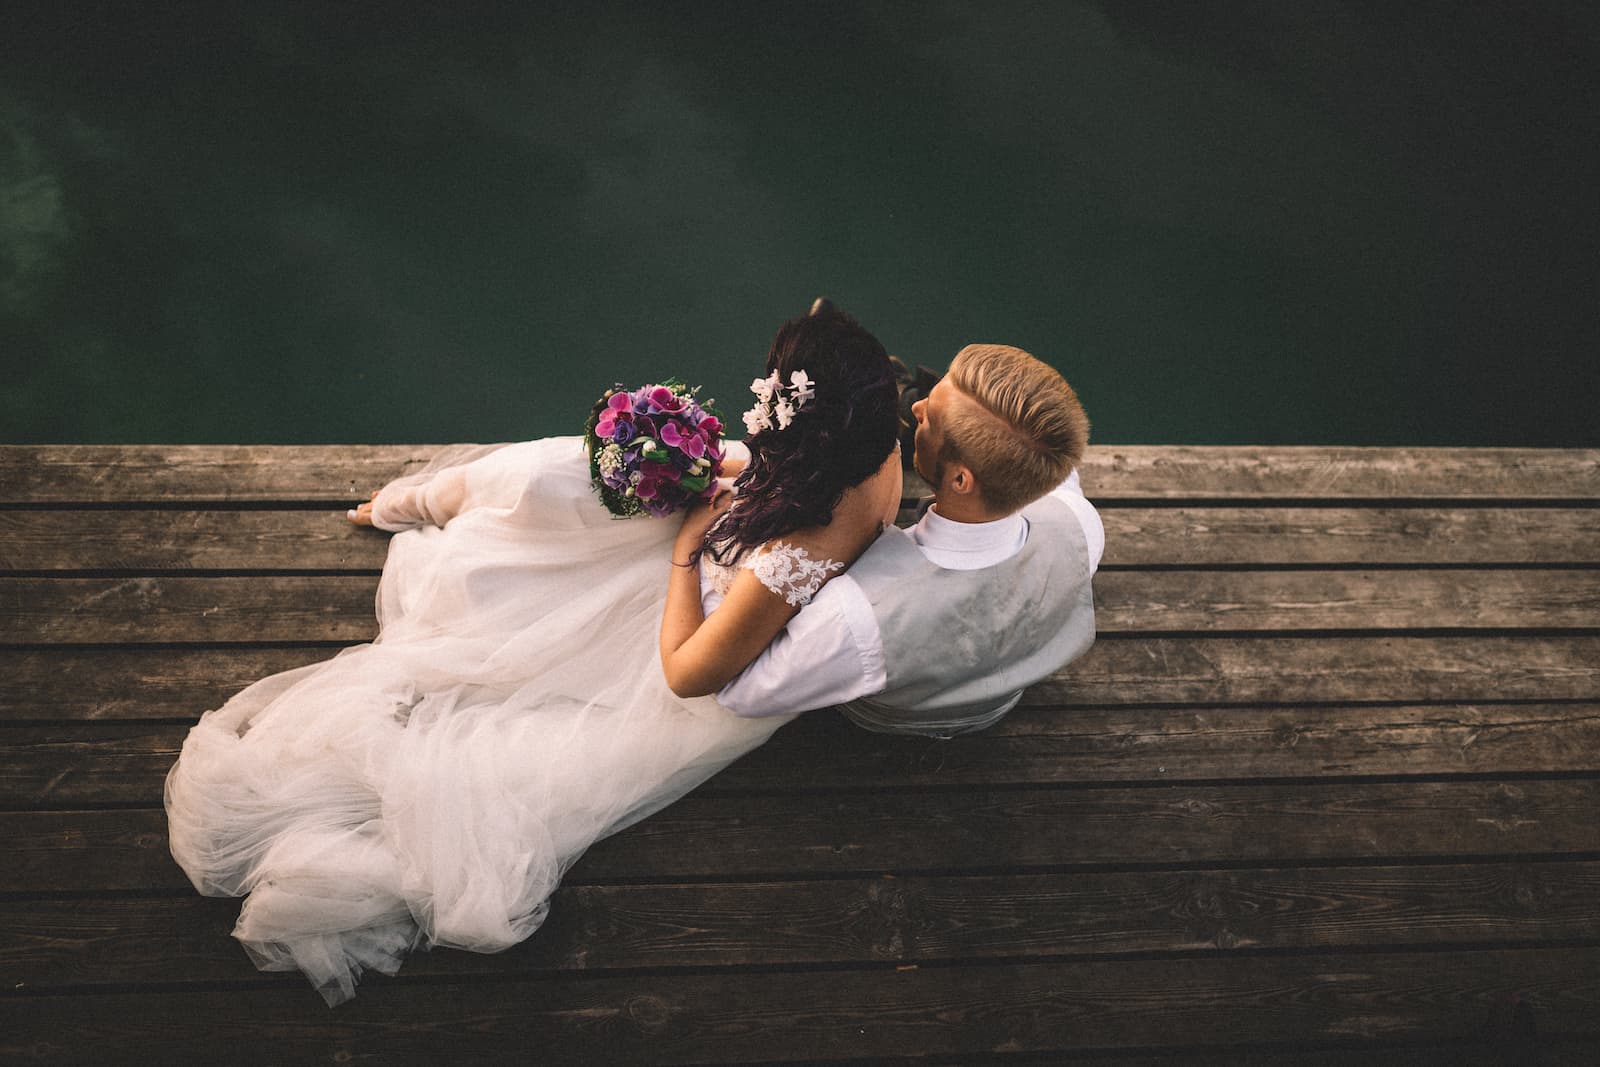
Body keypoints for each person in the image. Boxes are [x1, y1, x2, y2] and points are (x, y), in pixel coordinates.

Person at [163, 306, 902, 1005]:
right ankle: (440, 506)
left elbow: (685, 674)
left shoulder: (793, 558)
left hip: (669, 640)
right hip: (730, 544)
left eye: (770, 396)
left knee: (518, 613)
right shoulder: (874, 455)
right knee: (557, 481)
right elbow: (785, 478)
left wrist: (685, 550)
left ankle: (429, 513)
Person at [716, 342, 1103, 736]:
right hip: (998, 702)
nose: (917, 409)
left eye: (929, 418)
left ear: (960, 480)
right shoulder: (1078, 523)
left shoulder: (859, 612)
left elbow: (741, 694)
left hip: (886, 721)